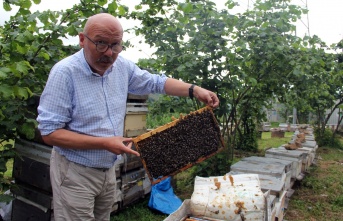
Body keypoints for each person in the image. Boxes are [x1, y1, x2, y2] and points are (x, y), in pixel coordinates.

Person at [37, 13, 219, 221]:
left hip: (107, 170)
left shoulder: (122, 67)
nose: (109, 53)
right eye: (101, 44)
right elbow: (49, 133)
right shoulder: (64, 73)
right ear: (82, 40)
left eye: (116, 45)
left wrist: (194, 90)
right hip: (75, 172)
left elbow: (155, 82)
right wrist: (105, 143)